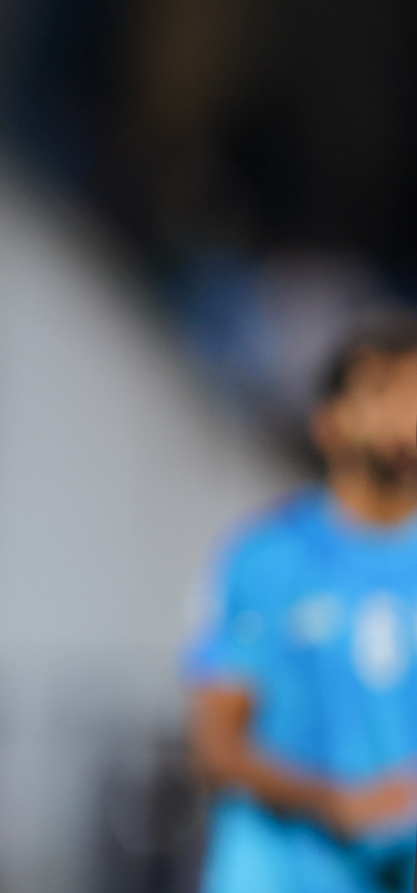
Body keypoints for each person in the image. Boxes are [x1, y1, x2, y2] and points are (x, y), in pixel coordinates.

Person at [187, 317, 417, 893]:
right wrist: (338, 803)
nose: (405, 412)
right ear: (329, 424)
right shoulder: (269, 557)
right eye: (383, 392)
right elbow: (217, 748)